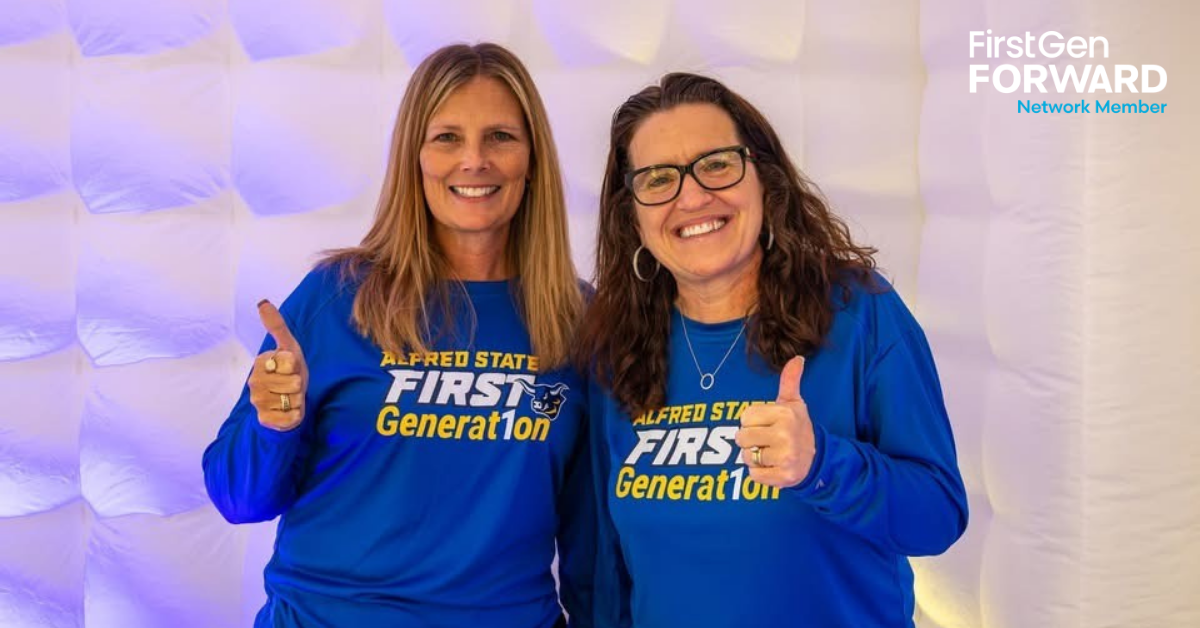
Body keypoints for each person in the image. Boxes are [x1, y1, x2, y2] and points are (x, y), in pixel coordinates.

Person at [202, 43, 593, 628]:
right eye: (447, 138)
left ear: (532, 158)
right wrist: (273, 427)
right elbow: (238, 498)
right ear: (414, 157)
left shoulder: (576, 319)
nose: (474, 160)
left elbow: (592, 541)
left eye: (500, 137)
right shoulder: (337, 297)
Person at [577, 73, 968, 628]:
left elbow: (938, 517)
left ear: (765, 180)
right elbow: (606, 568)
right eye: (658, 178)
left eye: (717, 164)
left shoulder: (859, 313)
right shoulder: (617, 348)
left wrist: (821, 466)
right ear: (631, 215)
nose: (693, 196)